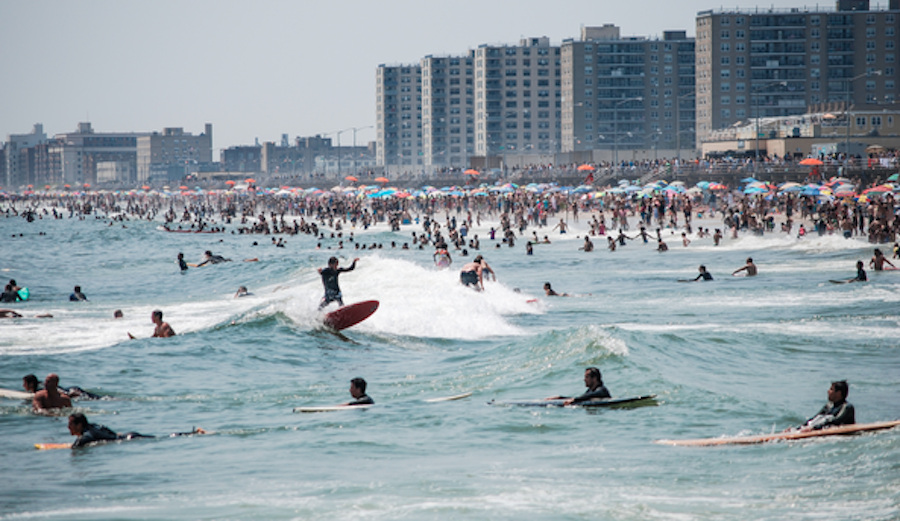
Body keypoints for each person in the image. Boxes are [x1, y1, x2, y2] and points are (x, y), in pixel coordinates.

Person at [67, 413, 205, 449]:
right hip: (129, 435)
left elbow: (77, 446)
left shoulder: (86, 435)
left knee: (163, 437)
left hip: (129, 439)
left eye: (70, 424)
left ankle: (192, 433)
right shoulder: (95, 426)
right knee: (161, 437)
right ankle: (192, 433)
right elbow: (112, 433)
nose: (68, 428)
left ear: (79, 425)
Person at [546, 367, 611, 406]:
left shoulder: (602, 390)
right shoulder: (590, 391)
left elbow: (593, 395)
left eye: (587, 377)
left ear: (594, 378)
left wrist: (575, 400)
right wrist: (560, 397)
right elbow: (583, 397)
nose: (584, 380)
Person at [23, 373, 100, 400]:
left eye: (25, 383)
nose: (23, 386)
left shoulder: (40, 389)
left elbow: (56, 391)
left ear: (31, 384)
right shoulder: (41, 385)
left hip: (71, 391)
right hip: (71, 389)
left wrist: (69, 395)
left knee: (96, 398)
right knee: (97, 397)